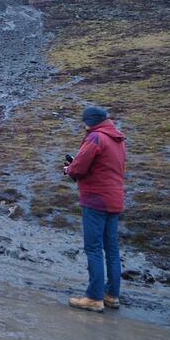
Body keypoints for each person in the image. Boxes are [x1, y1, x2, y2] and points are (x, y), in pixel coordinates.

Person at [64, 105, 126, 312]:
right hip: (114, 199)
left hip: (96, 200)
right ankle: (112, 295)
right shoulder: (118, 139)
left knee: (93, 248)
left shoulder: (95, 138)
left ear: (89, 121)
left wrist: (68, 169)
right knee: (112, 250)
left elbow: (79, 168)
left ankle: (93, 297)